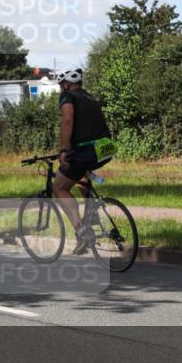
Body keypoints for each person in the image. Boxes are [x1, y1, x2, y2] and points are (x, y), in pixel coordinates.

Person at [52, 68, 116, 254]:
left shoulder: (68, 97)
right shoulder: (90, 98)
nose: (60, 89)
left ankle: (82, 232)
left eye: (61, 86)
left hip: (87, 150)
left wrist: (64, 150)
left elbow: (67, 120)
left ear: (66, 84)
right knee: (80, 174)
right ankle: (92, 213)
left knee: (60, 188)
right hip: (105, 148)